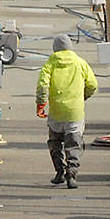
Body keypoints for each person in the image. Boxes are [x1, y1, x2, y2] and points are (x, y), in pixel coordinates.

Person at [36, 35, 97, 189]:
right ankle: (72, 175)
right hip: (74, 113)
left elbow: (43, 85)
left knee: (55, 143)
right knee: (74, 144)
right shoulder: (80, 63)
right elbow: (92, 84)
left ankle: (59, 172)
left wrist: (41, 104)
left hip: (56, 111)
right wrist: (83, 97)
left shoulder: (50, 63)